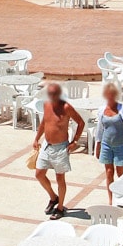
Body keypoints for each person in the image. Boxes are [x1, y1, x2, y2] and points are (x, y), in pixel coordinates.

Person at [34, 82, 86, 216]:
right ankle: (53, 197)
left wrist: (75, 141)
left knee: (60, 178)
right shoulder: (46, 104)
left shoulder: (66, 107)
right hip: (47, 145)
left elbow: (81, 122)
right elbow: (44, 123)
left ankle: (61, 208)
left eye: (54, 95)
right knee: (39, 174)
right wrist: (36, 139)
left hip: (60, 148)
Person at [95, 81, 123, 203]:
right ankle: (111, 200)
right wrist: (98, 146)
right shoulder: (101, 110)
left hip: (120, 145)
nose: (110, 97)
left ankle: (122, 197)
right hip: (106, 145)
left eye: (112, 94)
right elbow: (100, 129)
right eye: (108, 94)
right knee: (109, 173)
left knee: (121, 174)